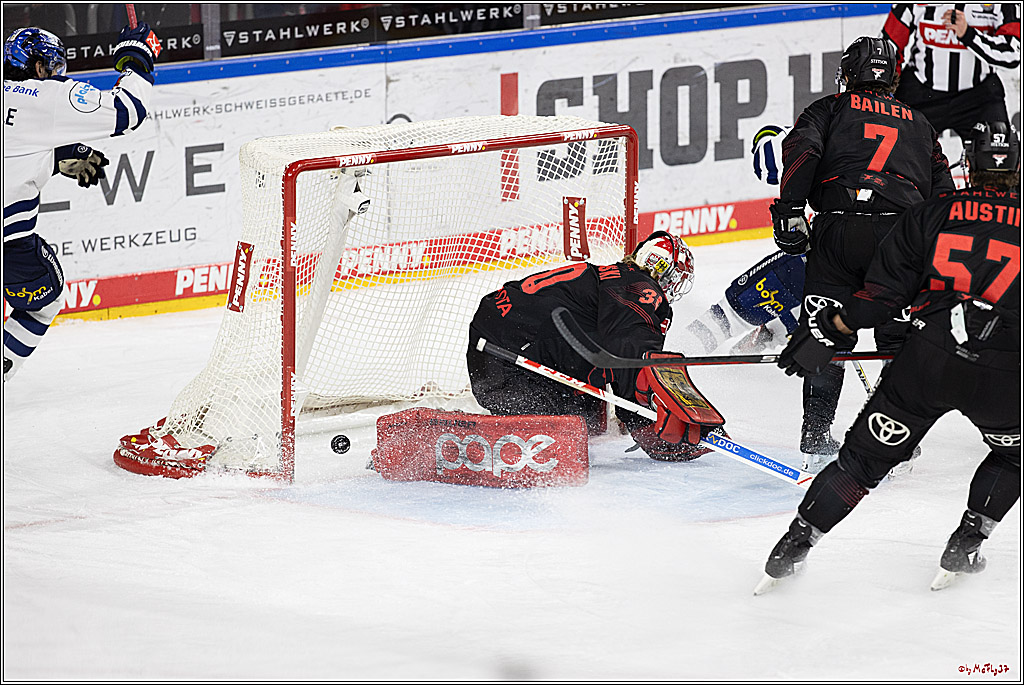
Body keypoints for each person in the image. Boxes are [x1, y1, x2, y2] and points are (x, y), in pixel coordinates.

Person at [758, 121, 1020, 593]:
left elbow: (880, 296)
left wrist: (830, 330)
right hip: (1005, 372)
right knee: (1016, 457)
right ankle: (969, 537)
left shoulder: (932, 213)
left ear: (969, 165)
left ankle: (795, 543)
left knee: (858, 465)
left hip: (927, 361)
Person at [769, 36, 955, 471]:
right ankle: (895, 441)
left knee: (823, 331)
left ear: (849, 72)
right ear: (892, 77)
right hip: (901, 238)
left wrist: (791, 211)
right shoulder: (920, 122)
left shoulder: (829, 108)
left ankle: (816, 440)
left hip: (839, 230)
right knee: (897, 340)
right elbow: (944, 195)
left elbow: (802, 151)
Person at [467, 231, 724, 462]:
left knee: (589, 416)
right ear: (661, 269)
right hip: (508, 365)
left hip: (497, 352)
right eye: (676, 277)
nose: (674, 286)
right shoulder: (639, 287)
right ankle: (501, 431)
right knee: (568, 432)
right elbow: (631, 356)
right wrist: (645, 425)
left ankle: (516, 418)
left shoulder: (614, 279)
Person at [3, 23, 160, 382]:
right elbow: (129, 110)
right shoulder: (45, 96)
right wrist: (136, 55)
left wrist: (54, 159)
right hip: (9, 247)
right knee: (43, 304)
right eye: (53, 67)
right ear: (39, 68)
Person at [882, 4, 1020, 144]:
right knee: (897, 156)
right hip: (921, 93)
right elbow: (887, 49)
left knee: (999, 157)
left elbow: (1013, 54)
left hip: (979, 96)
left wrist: (968, 34)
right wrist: (882, 93)